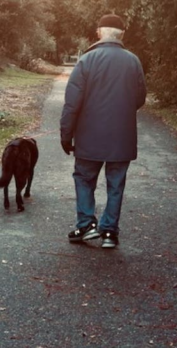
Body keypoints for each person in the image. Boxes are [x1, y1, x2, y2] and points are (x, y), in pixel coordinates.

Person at [60, 14, 147, 249]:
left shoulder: (87, 61)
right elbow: (139, 98)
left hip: (89, 136)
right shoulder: (133, 61)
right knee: (116, 184)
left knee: (84, 178)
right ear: (122, 35)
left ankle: (87, 224)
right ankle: (109, 233)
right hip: (122, 137)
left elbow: (72, 103)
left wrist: (66, 135)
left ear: (99, 32)